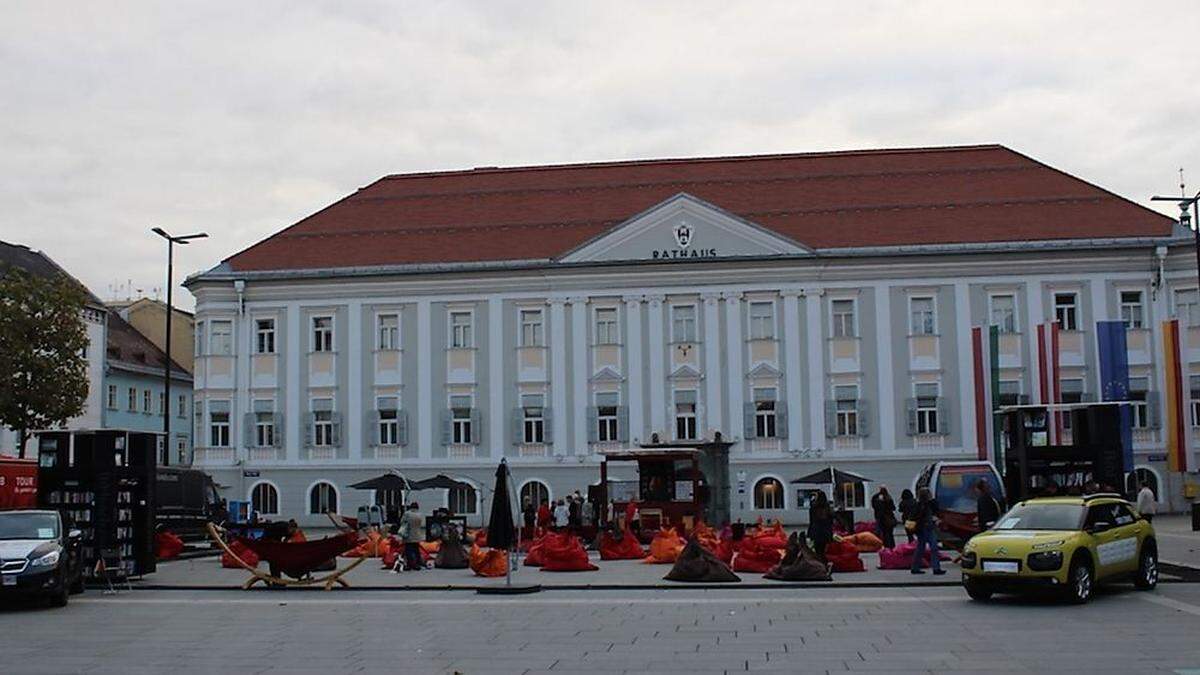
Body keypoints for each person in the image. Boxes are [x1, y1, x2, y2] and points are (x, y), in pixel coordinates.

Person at [910, 488, 945, 575]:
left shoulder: (918, 505)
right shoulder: (928, 504)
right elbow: (936, 511)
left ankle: (915, 567)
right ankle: (936, 568)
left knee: (921, 548)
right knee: (933, 547)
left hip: (921, 529)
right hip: (927, 528)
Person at [807, 491, 833, 559]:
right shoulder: (827, 507)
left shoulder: (813, 507)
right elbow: (831, 518)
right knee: (823, 548)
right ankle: (823, 561)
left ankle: (819, 561)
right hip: (825, 530)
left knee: (817, 548)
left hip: (816, 529)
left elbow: (812, 520)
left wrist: (809, 532)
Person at [401, 502, 424, 571]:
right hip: (417, 535)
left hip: (409, 535)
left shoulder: (407, 514)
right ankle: (417, 564)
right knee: (416, 550)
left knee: (409, 550)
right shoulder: (420, 514)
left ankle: (410, 564)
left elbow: (402, 522)